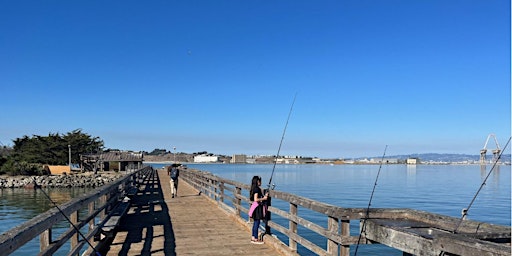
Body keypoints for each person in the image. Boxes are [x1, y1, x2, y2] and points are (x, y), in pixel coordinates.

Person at [249, 176, 268, 244]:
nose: (261, 182)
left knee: (255, 223)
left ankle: (253, 237)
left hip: (255, 207)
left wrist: (264, 195)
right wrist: (264, 198)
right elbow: (256, 199)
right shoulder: (257, 189)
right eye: (260, 181)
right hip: (257, 208)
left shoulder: (253, 188)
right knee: (257, 223)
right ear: (258, 182)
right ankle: (256, 239)